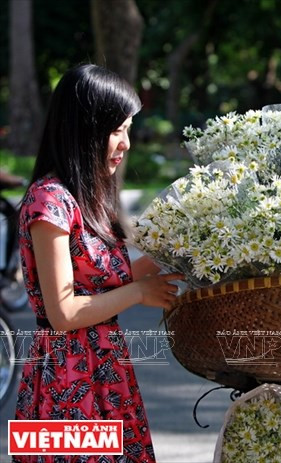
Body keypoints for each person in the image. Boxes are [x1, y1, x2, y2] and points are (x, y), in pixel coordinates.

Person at [13, 64, 183, 462]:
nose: (125, 144)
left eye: (127, 130)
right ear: (83, 129)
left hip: (105, 369)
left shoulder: (87, 199)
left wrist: (188, 243)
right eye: (116, 130)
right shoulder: (48, 201)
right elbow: (64, 311)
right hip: (65, 378)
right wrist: (139, 292)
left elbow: (113, 280)